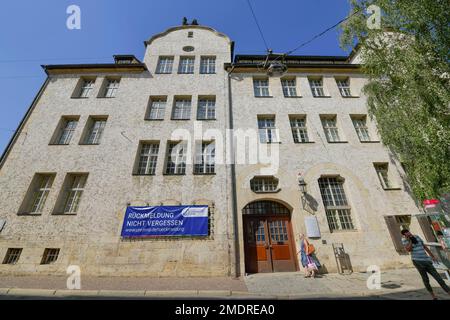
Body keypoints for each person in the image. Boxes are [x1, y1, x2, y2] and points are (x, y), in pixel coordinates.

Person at [401, 229, 450, 300]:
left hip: (426, 260)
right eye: (406, 233)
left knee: (438, 278)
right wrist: (410, 241)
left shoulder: (417, 237)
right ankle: (433, 296)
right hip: (417, 262)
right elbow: (408, 249)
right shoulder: (404, 240)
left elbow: (424, 246)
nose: (408, 233)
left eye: (408, 232)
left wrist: (432, 256)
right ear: (404, 235)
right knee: (425, 279)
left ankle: (448, 293)